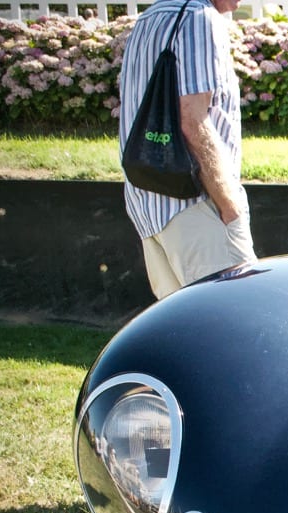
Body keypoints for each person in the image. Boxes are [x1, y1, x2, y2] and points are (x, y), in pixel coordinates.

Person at [118, 0, 254, 300]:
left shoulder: (149, 18)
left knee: (185, 325)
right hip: (196, 206)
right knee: (233, 319)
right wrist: (230, 208)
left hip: (149, 203)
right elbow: (192, 120)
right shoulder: (199, 17)